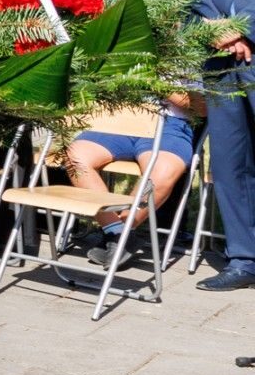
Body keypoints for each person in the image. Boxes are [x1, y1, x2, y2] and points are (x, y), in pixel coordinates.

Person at [167, 0, 255, 291]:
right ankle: (244, 258)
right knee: (229, 159)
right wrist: (215, 25)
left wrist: (245, 30)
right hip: (220, 55)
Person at [67, 93, 201, 266]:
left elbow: (204, 108)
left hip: (170, 125)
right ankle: (117, 231)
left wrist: (160, 86)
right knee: (75, 157)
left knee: (163, 171)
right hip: (120, 116)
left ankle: (121, 233)